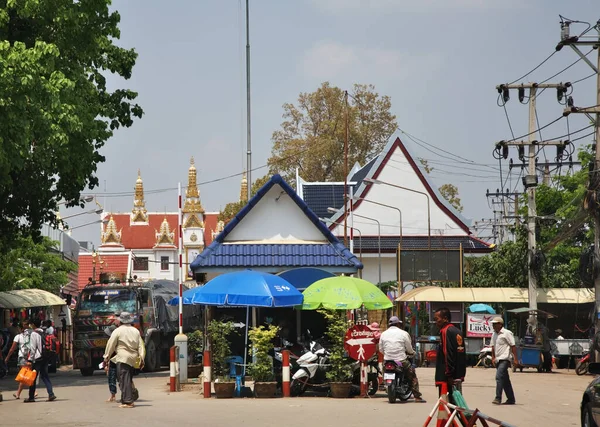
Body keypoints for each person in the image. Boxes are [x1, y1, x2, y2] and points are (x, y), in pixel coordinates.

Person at [378, 316, 425, 402]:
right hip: (400, 361)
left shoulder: (383, 334)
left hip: (387, 360)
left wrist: (388, 354)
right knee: (412, 375)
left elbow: (381, 349)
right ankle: (417, 396)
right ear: (398, 324)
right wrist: (412, 353)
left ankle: (385, 383)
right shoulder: (403, 333)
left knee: (384, 371)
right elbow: (409, 348)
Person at [103, 312, 145, 408]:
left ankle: (128, 401)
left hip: (123, 357)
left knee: (124, 379)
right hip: (133, 358)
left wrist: (106, 357)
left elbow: (111, 345)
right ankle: (126, 398)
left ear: (120, 321)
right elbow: (141, 346)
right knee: (127, 378)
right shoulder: (135, 331)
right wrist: (142, 358)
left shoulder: (117, 331)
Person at [433, 307, 466, 404]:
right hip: (458, 374)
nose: (436, 322)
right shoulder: (457, 331)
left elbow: (448, 353)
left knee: (447, 404)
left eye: (437, 319)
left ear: (445, 318)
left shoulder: (445, 331)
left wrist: (449, 374)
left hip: (447, 377)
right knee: (457, 402)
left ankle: (461, 419)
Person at [24, 318, 57, 403]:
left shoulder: (34, 334)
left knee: (33, 377)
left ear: (33, 325)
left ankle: (31, 397)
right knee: (45, 376)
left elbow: (33, 348)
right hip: (45, 357)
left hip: (37, 358)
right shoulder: (44, 332)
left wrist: (30, 360)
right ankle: (51, 394)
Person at [490, 316, 519, 405]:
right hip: (498, 359)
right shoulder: (494, 334)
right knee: (505, 379)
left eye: (495, 324)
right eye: (493, 324)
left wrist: (515, 359)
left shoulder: (507, 333)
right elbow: (493, 346)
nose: (493, 325)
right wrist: (493, 357)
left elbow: (513, 345)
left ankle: (498, 398)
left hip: (505, 359)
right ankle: (511, 399)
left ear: (500, 324)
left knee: (499, 377)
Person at [5, 322, 27, 399]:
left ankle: (18, 393)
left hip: (22, 357)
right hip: (31, 357)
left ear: (20, 329)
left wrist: (7, 357)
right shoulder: (31, 335)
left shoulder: (18, 336)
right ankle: (33, 391)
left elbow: (12, 349)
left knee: (23, 376)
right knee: (27, 375)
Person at [103, 325, 118, 402]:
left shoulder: (111, 340)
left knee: (112, 378)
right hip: (122, 360)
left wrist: (105, 362)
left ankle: (113, 396)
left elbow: (109, 352)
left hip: (114, 361)